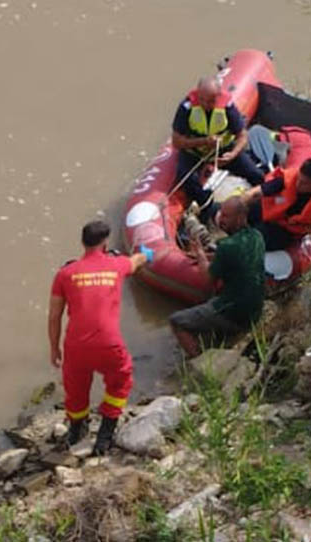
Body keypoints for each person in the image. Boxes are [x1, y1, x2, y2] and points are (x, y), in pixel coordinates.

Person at [48, 220, 153, 454]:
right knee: (120, 380)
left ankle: (76, 429)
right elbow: (136, 261)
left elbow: (54, 316)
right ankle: (105, 435)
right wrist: (147, 254)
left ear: (83, 243)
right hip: (108, 343)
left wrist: (54, 349)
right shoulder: (116, 266)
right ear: (105, 243)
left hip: (76, 345)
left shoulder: (65, 273)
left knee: (75, 389)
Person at [169, 197, 265, 358]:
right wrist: (206, 256)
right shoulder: (256, 236)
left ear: (241, 218)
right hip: (255, 309)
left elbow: (207, 281)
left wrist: (200, 254)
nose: (222, 219)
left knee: (176, 321)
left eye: (227, 216)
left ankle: (197, 358)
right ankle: (215, 332)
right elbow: (231, 257)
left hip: (235, 314)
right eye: (222, 214)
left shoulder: (227, 246)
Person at [172, 76, 265, 208]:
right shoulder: (186, 108)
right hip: (195, 153)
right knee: (185, 178)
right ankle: (207, 205)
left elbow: (242, 135)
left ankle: (261, 200)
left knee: (254, 173)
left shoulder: (227, 107)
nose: (205, 105)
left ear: (218, 96)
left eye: (210, 101)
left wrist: (233, 154)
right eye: (202, 100)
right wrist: (202, 141)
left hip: (223, 150)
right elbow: (176, 142)